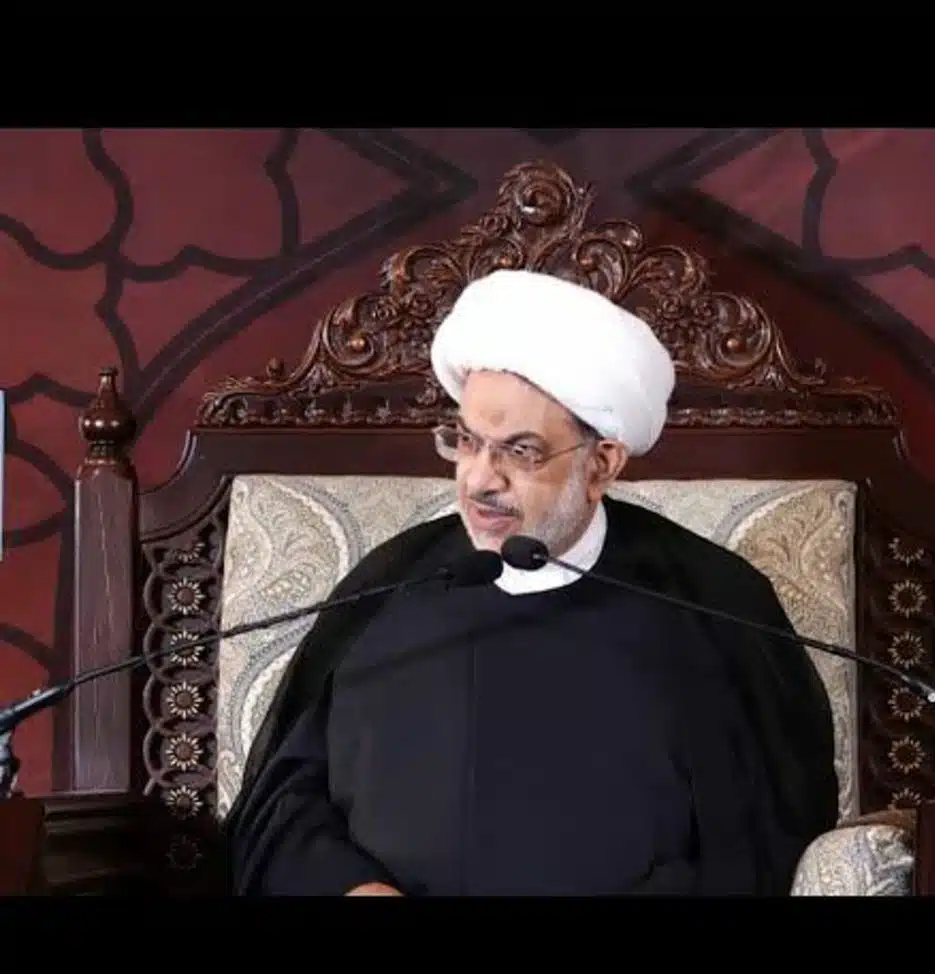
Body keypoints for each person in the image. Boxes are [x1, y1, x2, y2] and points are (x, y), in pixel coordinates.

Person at [222, 269, 839, 897]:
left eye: (520, 452)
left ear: (601, 465)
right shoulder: (389, 583)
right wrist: (354, 891)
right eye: (467, 442)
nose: (479, 481)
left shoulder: (713, 602)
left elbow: (763, 838)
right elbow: (284, 805)